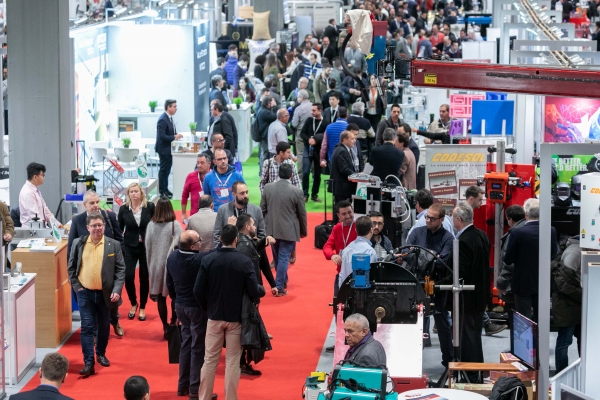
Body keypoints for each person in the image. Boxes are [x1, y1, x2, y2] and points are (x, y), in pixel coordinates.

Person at [195, 224, 266, 400]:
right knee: (233, 361)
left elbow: (197, 290)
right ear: (236, 239)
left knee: (209, 360)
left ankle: (204, 397)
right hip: (236, 318)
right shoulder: (244, 261)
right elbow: (254, 290)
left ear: (220, 239)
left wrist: (208, 307)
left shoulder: (208, 260)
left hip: (214, 316)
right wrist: (261, 289)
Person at [68, 212, 125, 376]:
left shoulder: (113, 245)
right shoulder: (78, 243)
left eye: (100, 225)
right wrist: (77, 287)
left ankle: (100, 353)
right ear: (88, 227)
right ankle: (88, 362)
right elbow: (71, 268)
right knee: (87, 327)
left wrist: (117, 290)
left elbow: (121, 270)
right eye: (94, 225)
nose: (97, 228)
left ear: (104, 226)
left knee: (104, 326)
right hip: (84, 293)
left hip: (105, 294)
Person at [166, 231, 217, 399]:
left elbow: (169, 283)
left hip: (180, 306)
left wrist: (177, 300)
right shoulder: (199, 259)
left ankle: (182, 386)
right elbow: (216, 252)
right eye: (199, 240)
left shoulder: (172, 257)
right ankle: (195, 389)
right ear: (192, 246)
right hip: (196, 308)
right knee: (197, 348)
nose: (202, 242)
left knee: (186, 344)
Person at [68, 190, 124, 337]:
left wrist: (119, 261)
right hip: (86, 272)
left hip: (108, 270)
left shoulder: (109, 217)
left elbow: (119, 240)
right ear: (85, 204)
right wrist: (71, 273)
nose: (95, 205)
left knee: (111, 302)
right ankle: (94, 333)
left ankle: (115, 321)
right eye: (92, 203)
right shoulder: (77, 221)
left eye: (97, 202)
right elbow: (71, 249)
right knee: (90, 306)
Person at [406, 203, 454, 363]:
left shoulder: (448, 238)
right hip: (417, 284)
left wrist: (420, 256)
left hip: (438, 285)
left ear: (441, 219)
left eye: (432, 219)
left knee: (442, 323)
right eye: (427, 217)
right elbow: (407, 255)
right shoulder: (417, 232)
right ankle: (411, 361)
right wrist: (433, 256)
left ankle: (448, 360)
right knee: (414, 322)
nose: (428, 220)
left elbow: (442, 263)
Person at [450, 202, 490, 381]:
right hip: (480, 295)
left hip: (466, 298)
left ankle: (470, 377)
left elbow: (460, 272)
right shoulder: (482, 235)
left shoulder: (463, 241)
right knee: (474, 336)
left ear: (458, 219)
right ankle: (476, 373)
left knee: (468, 338)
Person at [504, 199, 558, 322]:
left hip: (522, 283)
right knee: (542, 319)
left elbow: (508, 259)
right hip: (543, 282)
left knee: (524, 321)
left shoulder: (517, 232)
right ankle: (540, 335)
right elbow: (554, 254)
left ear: (526, 214)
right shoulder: (551, 230)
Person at [464, 185, 508, 335]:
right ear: (471, 198)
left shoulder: (469, 213)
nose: (481, 203)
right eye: (479, 200)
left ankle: (487, 324)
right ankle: (487, 324)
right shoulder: (463, 213)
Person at [235, 214, 276, 375]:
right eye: (252, 224)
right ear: (246, 227)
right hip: (248, 295)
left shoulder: (244, 243)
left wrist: (264, 241)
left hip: (246, 294)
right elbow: (250, 273)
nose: (255, 227)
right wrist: (257, 292)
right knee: (245, 329)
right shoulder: (245, 246)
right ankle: (241, 363)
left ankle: (242, 361)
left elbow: (259, 256)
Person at [261, 164, 307, 296]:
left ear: (278, 174)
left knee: (277, 257)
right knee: (283, 258)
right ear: (292, 175)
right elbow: (302, 214)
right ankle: (279, 286)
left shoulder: (267, 188)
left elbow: (262, 209)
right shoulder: (297, 191)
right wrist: (303, 231)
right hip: (289, 231)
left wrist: (263, 228)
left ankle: (283, 280)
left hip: (271, 229)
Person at [118, 182, 156, 322]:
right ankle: (133, 303)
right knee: (128, 276)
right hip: (129, 246)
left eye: (136, 191)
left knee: (144, 278)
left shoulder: (150, 207)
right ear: (128, 194)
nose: (134, 194)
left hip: (146, 246)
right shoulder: (123, 209)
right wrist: (121, 246)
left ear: (141, 193)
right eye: (131, 192)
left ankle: (143, 307)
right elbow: (119, 229)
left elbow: (155, 225)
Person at [145, 197, 181, 332]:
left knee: (161, 297)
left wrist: (150, 264)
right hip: (172, 266)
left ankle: (165, 326)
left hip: (155, 265)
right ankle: (173, 322)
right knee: (174, 296)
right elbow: (180, 245)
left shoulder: (151, 225)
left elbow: (147, 246)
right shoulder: (175, 225)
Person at [552, 236, 582, 373]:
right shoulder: (575, 252)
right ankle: (561, 372)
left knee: (579, 340)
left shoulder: (575, 250)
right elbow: (563, 282)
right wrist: (583, 294)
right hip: (567, 306)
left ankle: (582, 370)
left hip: (573, 305)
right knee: (564, 341)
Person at [213, 181, 265, 246]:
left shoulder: (256, 210)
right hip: (230, 249)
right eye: (242, 193)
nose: (246, 195)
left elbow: (262, 235)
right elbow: (217, 235)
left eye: (246, 192)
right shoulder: (223, 210)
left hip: (250, 249)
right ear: (234, 194)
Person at [324, 200, 358, 297]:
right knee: (338, 302)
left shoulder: (359, 226)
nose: (347, 216)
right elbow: (327, 246)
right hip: (342, 273)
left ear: (353, 211)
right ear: (338, 216)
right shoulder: (337, 228)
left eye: (349, 212)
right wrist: (332, 255)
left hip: (357, 272)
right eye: (343, 214)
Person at [19, 162, 63, 227]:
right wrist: (48, 229)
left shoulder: (35, 190)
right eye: (42, 175)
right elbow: (36, 217)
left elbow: (46, 211)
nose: (43, 177)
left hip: (40, 228)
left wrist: (57, 224)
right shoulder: (27, 193)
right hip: (32, 230)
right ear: (35, 177)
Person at [155, 99, 183, 198]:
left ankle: (166, 189)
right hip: (164, 149)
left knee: (167, 171)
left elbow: (170, 132)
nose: (176, 109)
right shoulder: (163, 119)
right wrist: (174, 137)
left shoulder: (169, 118)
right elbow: (162, 136)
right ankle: (162, 191)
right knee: (163, 171)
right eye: (174, 106)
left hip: (168, 149)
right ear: (168, 107)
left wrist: (176, 135)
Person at [496, 205, 527, 297]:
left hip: (515, 283)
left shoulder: (514, 234)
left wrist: (501, 283)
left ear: (511, 219)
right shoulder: (529, 229)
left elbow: (508, 263)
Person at [339, 216, 377, 287]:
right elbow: (371, 276)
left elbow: (342, 275)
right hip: (363, 290)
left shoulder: (346, 249)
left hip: (345, 289)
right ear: (371, 230)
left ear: (356, 230)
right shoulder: (370, 252)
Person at [300, 104, 327, 203]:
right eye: (311, 110)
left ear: (320, 111)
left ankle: (314, 194)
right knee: (305, 172)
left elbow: (325, 136)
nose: (312, 112)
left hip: (319, 150)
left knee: (317, 174)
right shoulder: (309, 120)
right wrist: (309, 140)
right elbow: (302, 133)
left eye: (314, 110)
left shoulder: (325, 122)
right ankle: (305, 194)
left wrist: (316, 140)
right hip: (307, 148)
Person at [330, 130, 360, 206]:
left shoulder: (342, 149)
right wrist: (357, 176)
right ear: (345, 140)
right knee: (342, 208)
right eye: (352, 139)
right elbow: (344, 169)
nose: (354, 141)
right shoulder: (341, 151)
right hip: (342, 188)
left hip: (342, 188)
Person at [181, 154, 212, 222]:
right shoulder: (191, 176)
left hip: (211, 214)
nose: (199, 165)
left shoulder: (214, 176)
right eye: (198, 163)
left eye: (202, 163)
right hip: (195, 215)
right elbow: (184, 195)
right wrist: (183, 213)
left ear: (209, 164)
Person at [291, 89, 313, 173]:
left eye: (298, 97)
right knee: (313, 152)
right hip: (312, 133)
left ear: (301, 97)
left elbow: (294, 124)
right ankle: (314, 174)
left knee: (300, 154)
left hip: (300, 133)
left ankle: (300, 174)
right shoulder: (313, 106)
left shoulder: (298, 108)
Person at [256, 96, 278, 176]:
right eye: (272, 101)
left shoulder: (262, 110)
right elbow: (276, 116)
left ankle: (263, 173)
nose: (274, 102)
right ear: (268, 103)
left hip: (264, 136)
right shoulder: (265, 112)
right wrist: (275, 106)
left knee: (265, 155)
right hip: (264, 137)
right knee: (265, 155)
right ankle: (263, 173)